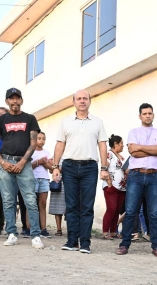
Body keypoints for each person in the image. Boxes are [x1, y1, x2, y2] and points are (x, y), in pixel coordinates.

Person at [51, 89, 109, 254]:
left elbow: (102, 145)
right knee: (71, 205)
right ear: (73, 102)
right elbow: (60, 144)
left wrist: (104, 168)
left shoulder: (97, 122)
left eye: (85, 98)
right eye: (79, 98)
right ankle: (71, 241)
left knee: (87, 206)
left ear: (89, 101)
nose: (82, 101)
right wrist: (55, 166)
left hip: (90, 167)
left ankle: (85, 243)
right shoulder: (65, 122)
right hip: (69, 167)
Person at [0, 88, 43, 248]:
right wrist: (2, 162)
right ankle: (11, 233)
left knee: (30, 200)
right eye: (11, 99)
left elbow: (33, 143)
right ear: (7, 101)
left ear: (21, 100)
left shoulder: (30, 118)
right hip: (5, 162)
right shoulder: (1, 120)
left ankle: (35, 235)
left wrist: (22, 162)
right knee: (8, 200)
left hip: (24, 163)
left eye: (17, 98)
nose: (14, 101)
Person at [116, 103, 157, 258]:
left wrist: (142, 148)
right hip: (136, 176)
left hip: (154, 176)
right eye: (144, 113)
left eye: (150, 113)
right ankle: (124, 244)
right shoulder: (133, 132)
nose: (147, 115)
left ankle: (156, 246)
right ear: (140, 116)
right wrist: (153, 152)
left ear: (153, 115)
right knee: (131, 211)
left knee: (153, 212)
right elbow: (133, 152)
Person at [102, 134, 126, 239]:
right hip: (111, 186)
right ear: (115, 144)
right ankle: (105, 231)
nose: (123, 146)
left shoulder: (121, 156)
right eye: (121, 144)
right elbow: (104, 167)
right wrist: (109, 183)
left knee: (117, 209)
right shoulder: (109, 154)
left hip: (122, 187)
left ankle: (113, 231)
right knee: (111, 208)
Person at [31, 131, 53, 238]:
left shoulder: (47, 152)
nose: (41, 141)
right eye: (39, 138)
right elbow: (28, 167)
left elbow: (51, 168)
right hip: (33, 179)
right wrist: (38, 162)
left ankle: (43, 228)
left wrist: (45, 163)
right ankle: (30, 227)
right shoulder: (31, 152)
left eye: (43, 138)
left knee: (42, 204)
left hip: (44, 179)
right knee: (31, 204)